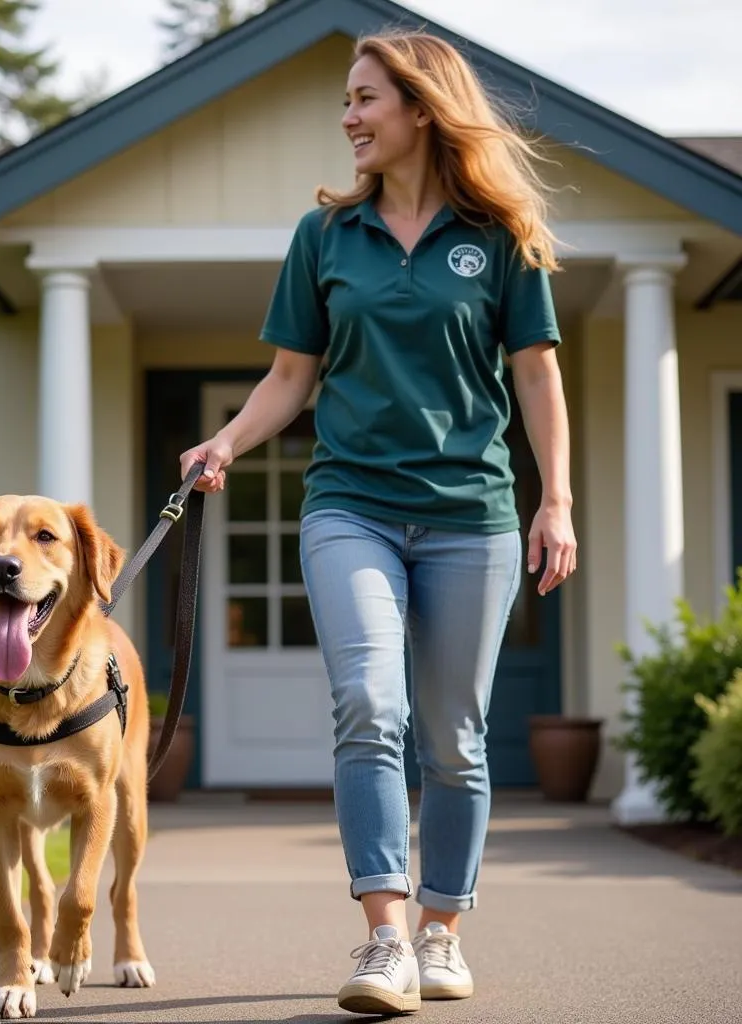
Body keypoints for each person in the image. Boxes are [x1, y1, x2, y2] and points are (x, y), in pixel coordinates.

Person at [179, 28, 577, 1018]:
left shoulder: (500, 235)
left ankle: (444, 930)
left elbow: (535, 372)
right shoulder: (326, 237)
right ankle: (385, 937)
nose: (349, 119)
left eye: (364, 100)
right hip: (348, 503)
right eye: (346, 102)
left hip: (468, 514)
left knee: (453, 735)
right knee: (368, 702)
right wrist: (225, 441)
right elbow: (288, 378)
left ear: (420, 107)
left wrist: (555, 499)